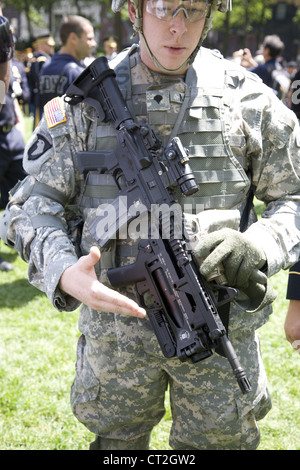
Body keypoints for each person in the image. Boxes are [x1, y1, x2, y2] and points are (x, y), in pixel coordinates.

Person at [1, 0, 300, 450]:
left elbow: (293, 198)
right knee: (117, 445)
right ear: (135, 10)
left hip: (216, 332)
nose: (178, 27)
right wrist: (64, 269)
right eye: (164, 8)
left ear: (212, 14)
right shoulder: (85, 103)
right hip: (116, 337)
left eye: (193, 10)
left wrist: (259, 244)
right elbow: (29, 204)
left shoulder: (249, 101)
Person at [38, 15, 96, 114]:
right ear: (73, 38)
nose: (94, 44)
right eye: (89, 39)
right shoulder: (78, 73)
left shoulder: (45, 67)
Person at [26, 33, 56, 128]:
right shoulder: (41, 61)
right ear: (42, 45)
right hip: (42, 98)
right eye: (49, 45)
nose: (52, 47)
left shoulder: (47, 59)